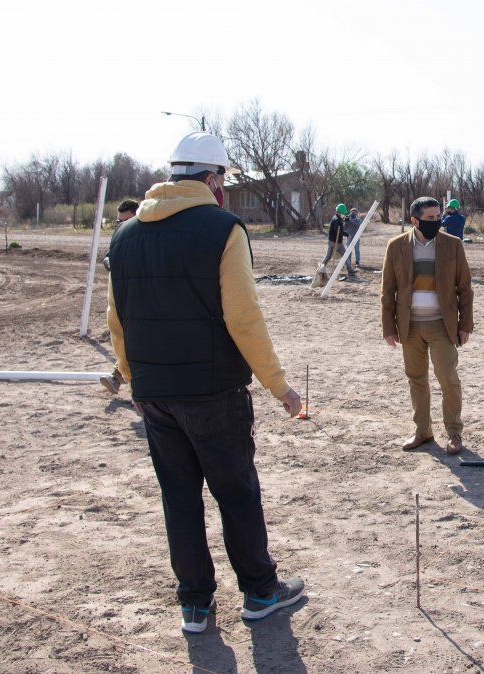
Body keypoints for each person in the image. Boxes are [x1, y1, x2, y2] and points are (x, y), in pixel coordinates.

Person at [106, 131, 305, 634]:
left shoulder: (125, 235)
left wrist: (133, 379)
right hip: (213, 393)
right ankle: (260, 592)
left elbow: (117, 320)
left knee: (179, 498)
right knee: (236, 492)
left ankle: (194, 604)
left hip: (155, 395)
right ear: (213, 179)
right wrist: (278, 385)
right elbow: (244, 317)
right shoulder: (223, 229)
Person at [381, 196, 474, 455]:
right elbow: (387, 291)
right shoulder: (396, 246)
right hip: (409, 327)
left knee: (448, 380)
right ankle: (423, 431)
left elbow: (465, 289)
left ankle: (454, 433)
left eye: (438, 217)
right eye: (431, 218)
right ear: (415, 220)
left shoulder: (452, 245)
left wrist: (465, 325)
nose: (437, 222)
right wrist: (389, 327)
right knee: (416, 380)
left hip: (442, 326)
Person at [100, 201, 140, 394]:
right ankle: (117, 377)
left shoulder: (146, 233)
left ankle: (118, 377)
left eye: (126, 220)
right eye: (119, 221)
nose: (122, 224)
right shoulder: (121, 235)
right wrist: (109, 261)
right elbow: (109, 255)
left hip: (142, 296)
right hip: (124, 295)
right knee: (124, 336)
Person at [321, 203, 355, 276]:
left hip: (339, 242)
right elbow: (338, 231)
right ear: (339, 212)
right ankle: (320, 269)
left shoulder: (339, 218)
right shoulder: (336, 220)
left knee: (345, 255)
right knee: (328, 256)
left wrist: (346, 218)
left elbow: (344, 220)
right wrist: (347, 234)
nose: (344, 215)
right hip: (333, 241)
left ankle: (350, 270)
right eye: (343, 213)